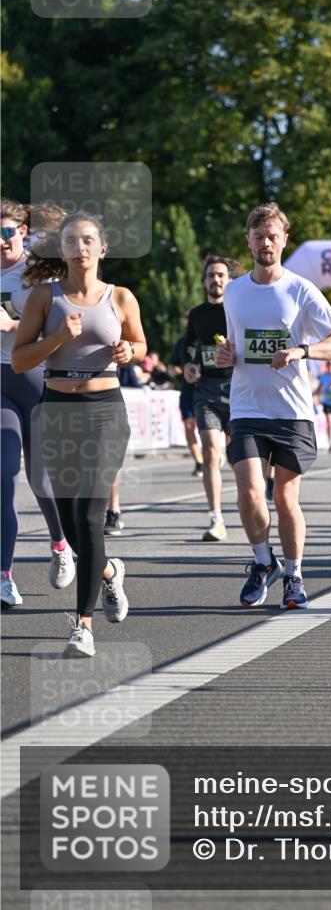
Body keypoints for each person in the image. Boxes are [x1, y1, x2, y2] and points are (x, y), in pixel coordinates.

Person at [12, 211, 147, 657]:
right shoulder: (44, 299)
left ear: (102, 248)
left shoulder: (121, 297)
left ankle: (83, 626)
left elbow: (140, 344)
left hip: (104, 410)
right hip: (57, 410)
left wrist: (130, 350)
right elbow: (20, 361)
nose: (80, 247)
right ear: (62, 250)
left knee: (90, 517)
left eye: (89, 240)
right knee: (71, 525)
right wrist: (56, 340)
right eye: (72, 241)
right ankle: (108, 572)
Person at [215, 202, 331, 609]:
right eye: (259, 236)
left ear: (284, 240)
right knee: (250, 491)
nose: (266, 242)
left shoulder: (300, 289)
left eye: (273, 236)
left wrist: (302, 351)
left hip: (291, 411)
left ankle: (294, 574)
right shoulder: (234, 291)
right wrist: (227, 356)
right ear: (248, 241)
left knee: (286, 498)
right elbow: (234, 346)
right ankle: (262, 562)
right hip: (246, 408)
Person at [1, 199, 75, 608]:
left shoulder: (38, 266)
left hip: (38, 379)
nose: (1, 241)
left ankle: (61, 543)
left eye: (8, 232)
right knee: (4, 476)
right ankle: (4, 577)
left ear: (23, 232)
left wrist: (11, 323)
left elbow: (60, 313)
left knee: (41, 481)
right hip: (0, 384)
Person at [184, 255, 244, 541]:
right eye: (211, 275)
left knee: (239, 458)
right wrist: (189, 366)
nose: (216, 280)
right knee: (210, 450)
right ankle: (216, 519)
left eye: (221, 275)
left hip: (238, 389)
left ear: (229, 280)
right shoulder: (196, 315)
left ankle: (247, 502)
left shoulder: (238, 311)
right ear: (204, 281)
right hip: (206, 390)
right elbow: (191, 347)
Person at [169, 312, 204, 477]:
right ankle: (199, 462)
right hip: (188, 390)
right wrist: (176, 370)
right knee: (190, 425)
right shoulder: (181, 343)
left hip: (207, 388)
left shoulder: (209, 339)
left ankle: (215, 454)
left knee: (210, 428)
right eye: (187, 319)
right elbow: (172, 366)